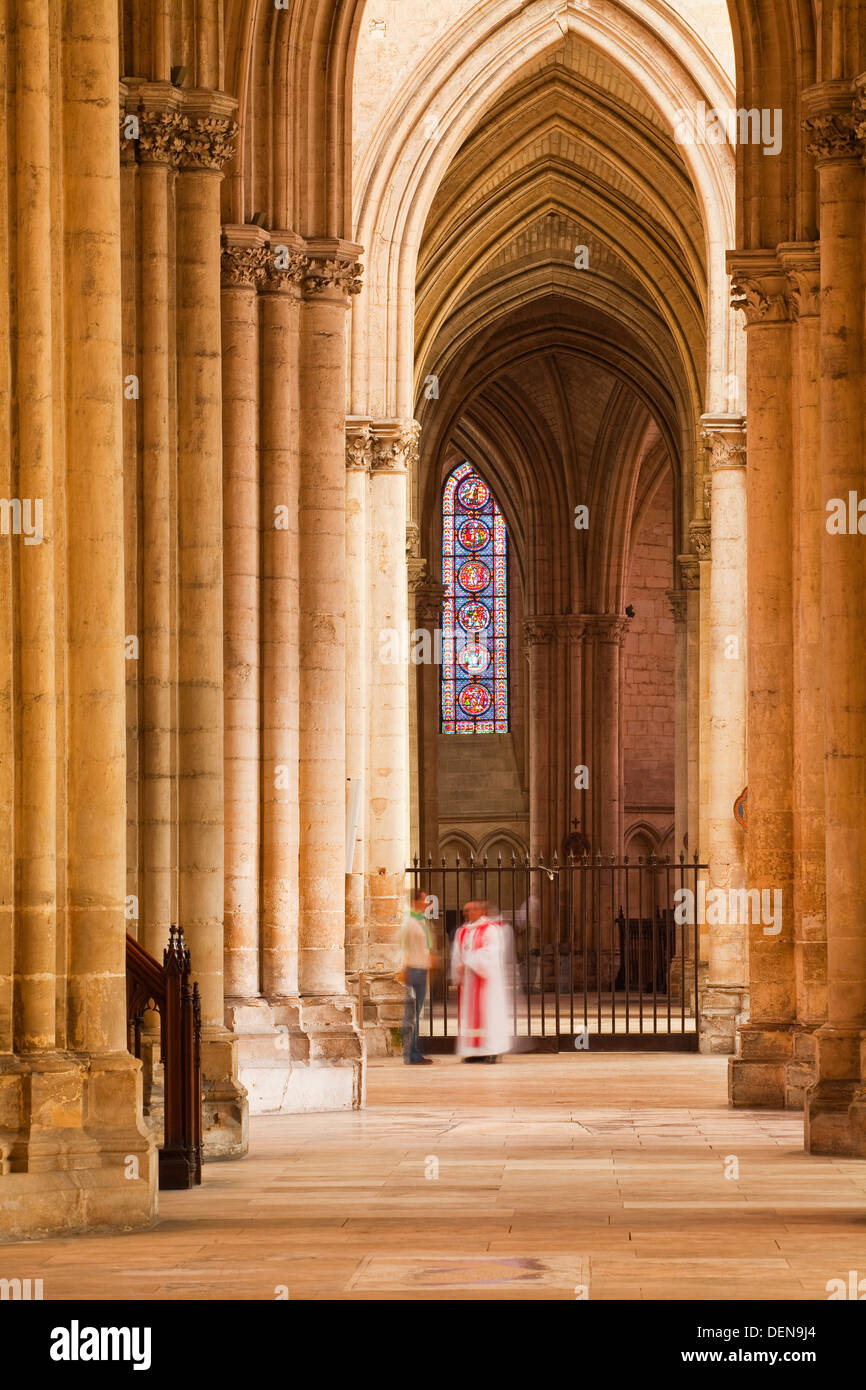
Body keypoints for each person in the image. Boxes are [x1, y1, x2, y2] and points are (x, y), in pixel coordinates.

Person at [451, 900, 512, 1063]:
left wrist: (469, 962)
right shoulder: (462, 931)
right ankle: (474, 1051)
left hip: (487, 984)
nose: (466, 913)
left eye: (470, 910)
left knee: (488, 1015)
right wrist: (458, 968)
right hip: (469, 984)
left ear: (480, 911)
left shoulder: (491, 930)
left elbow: (491, 953)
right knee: (470, 1017)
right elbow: (457, 954)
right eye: (465, 910)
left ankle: (492, 1050)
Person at [400, 890, 434, 1065]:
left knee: (415, 1012)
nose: (427, 903)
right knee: (413, 1013)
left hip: (420, 968)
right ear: (416, 901)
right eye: (424, 900)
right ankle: (411, 1053)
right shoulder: (410, 921)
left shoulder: (419, 920)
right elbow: (403, 946)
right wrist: (405, 966)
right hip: (414, 969)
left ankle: (413, 1051)